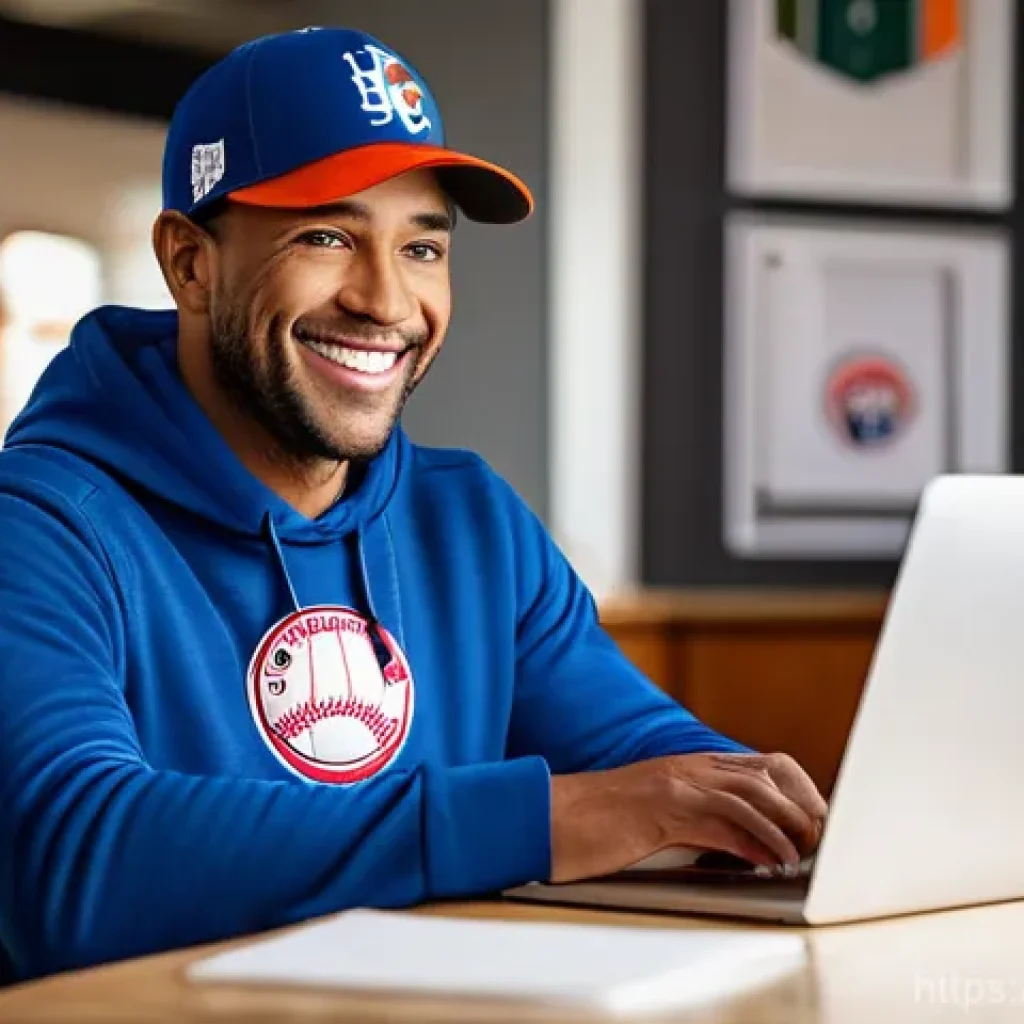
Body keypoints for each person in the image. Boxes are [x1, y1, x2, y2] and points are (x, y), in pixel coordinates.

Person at [0, 26, 827, 983]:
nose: (387, 301)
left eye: (422, 246)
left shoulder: (469, 521)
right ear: (191, 263)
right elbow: (70, 857)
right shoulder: (41, 525)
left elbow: (643, 754)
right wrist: (538, 820)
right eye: (326, 236)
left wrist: (766, 812)